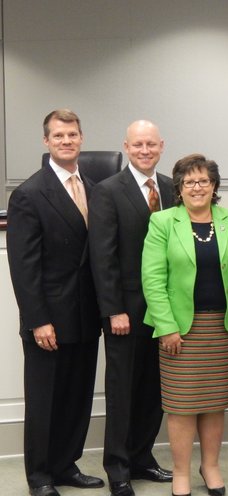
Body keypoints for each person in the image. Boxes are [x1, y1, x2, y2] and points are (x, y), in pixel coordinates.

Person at [142, 154, 228, 496]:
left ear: (215, 186)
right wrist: (166, 327)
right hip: (180, 331)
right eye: (189, 182)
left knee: (214, 402)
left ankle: (211, 466)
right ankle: (181, 472)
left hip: (221, 329)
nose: (197, 187)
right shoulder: (163, 222)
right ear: (178, 187)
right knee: (180, 405)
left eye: (203, 181)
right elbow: (152, 279)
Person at [7, 109, 104, 496]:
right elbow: (24, 267)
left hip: (86, 314)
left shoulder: (95, 189)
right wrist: (38, 320)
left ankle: (67, 464)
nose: (67, 141)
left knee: (77, 396)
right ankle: (41, 476)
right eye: (59, 136)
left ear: (81, 139)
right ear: (46, 142)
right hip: (48, 319)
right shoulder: (29, 194)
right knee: (45, 400)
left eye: (73, 135)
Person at [88, 120, 174, 496]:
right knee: (123, 392)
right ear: (126, 146)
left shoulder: (173, 187)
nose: (144, 150)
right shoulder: (108, 191)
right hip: (126, 311)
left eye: (151, 144)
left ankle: (142, 457)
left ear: (161, 146)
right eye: (137, 144)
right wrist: (113, 310)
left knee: (155, 390)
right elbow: (102, 256)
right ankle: (118, 467)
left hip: (166, 312)